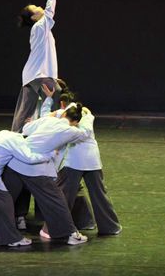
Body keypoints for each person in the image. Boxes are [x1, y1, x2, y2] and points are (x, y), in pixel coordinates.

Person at [2, 105, 93, 245]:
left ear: (64, 115)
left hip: (14, 163)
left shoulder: (49, 120)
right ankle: (71, 234)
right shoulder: (71, 131)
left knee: (4, 199)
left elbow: (26, 129)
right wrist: (89, 116)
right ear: (75, 122)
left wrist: (51, 115)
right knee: (56, 201)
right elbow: (86, 133)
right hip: (34, 168)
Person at [40, 88, 122, 235]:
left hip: (74, 162)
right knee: (99, 195)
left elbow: (83, 133)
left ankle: (54, 229)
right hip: (91, 161)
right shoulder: (74, 113)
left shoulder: (74, 114)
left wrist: (64, 134)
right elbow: (46, 118)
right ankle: (110, 227)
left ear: (63, 104)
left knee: (64, 196)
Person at [0, 130, 52, 246]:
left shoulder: (6, 133)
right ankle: (11, 239)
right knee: (6, 203)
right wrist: (48, 156)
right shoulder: (17, 141)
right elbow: (28, 158)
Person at [11, 0, 61, 133]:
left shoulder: (41, 29)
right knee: (57, 94)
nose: (40, 7)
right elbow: (50, 9)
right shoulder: (39, 27)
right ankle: (50, 135)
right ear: (33, 17)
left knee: (24, 112)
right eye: (36, 8)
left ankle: (14, 137)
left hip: (32, 75)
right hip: (39, 74)